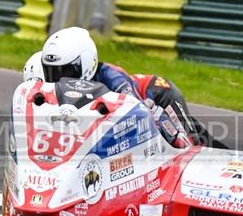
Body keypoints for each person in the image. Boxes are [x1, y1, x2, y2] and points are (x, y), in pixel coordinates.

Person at [25, 26, 225, 149]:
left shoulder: (113, 77)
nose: (59, 79)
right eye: (52, 72)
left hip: (158, 96)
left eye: (65, 72)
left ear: (85, 63)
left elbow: (139, 109)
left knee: (189, 144)